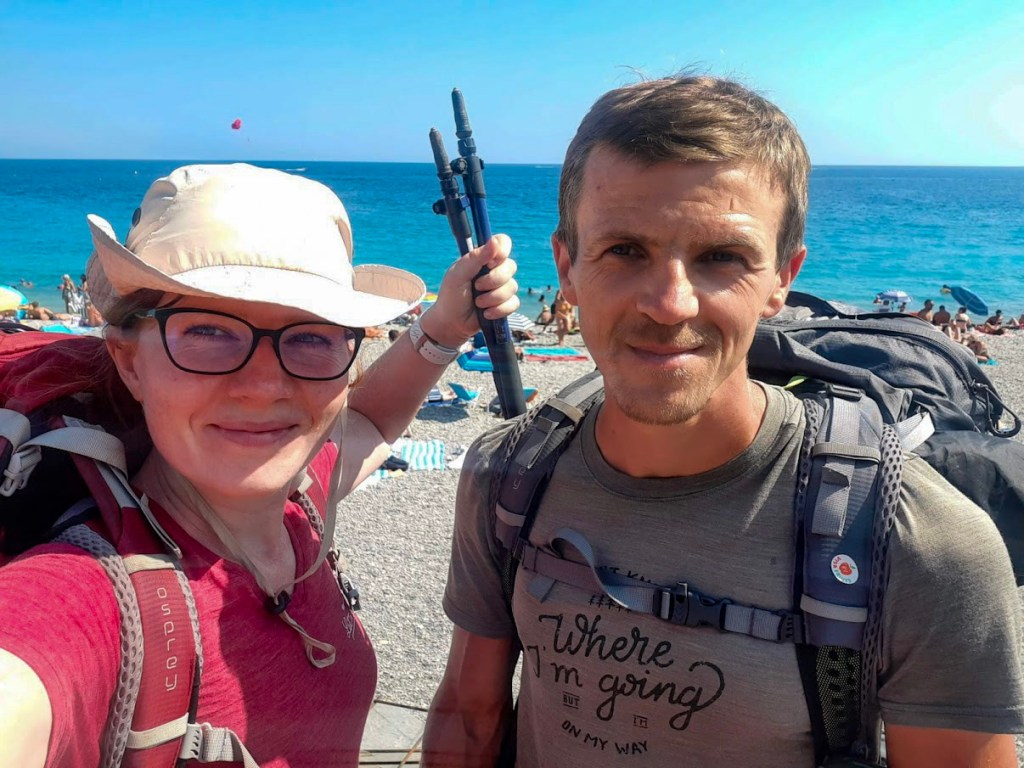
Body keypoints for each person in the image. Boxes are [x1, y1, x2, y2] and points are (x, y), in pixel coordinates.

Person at [424, 76, 1023, 767]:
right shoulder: (507, 477)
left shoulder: (921, 543)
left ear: (782, 279)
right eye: (624, 250)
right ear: (567, 265)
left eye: (721, 257)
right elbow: (469, 718)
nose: (670, 303)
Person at [0, 163, 519, 767]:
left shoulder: (301, 503)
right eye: (208, 331)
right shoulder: (88, 600)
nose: (265, 387)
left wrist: (445, 326)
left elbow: (369, 421)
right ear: (129, 361)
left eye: (311, 336)